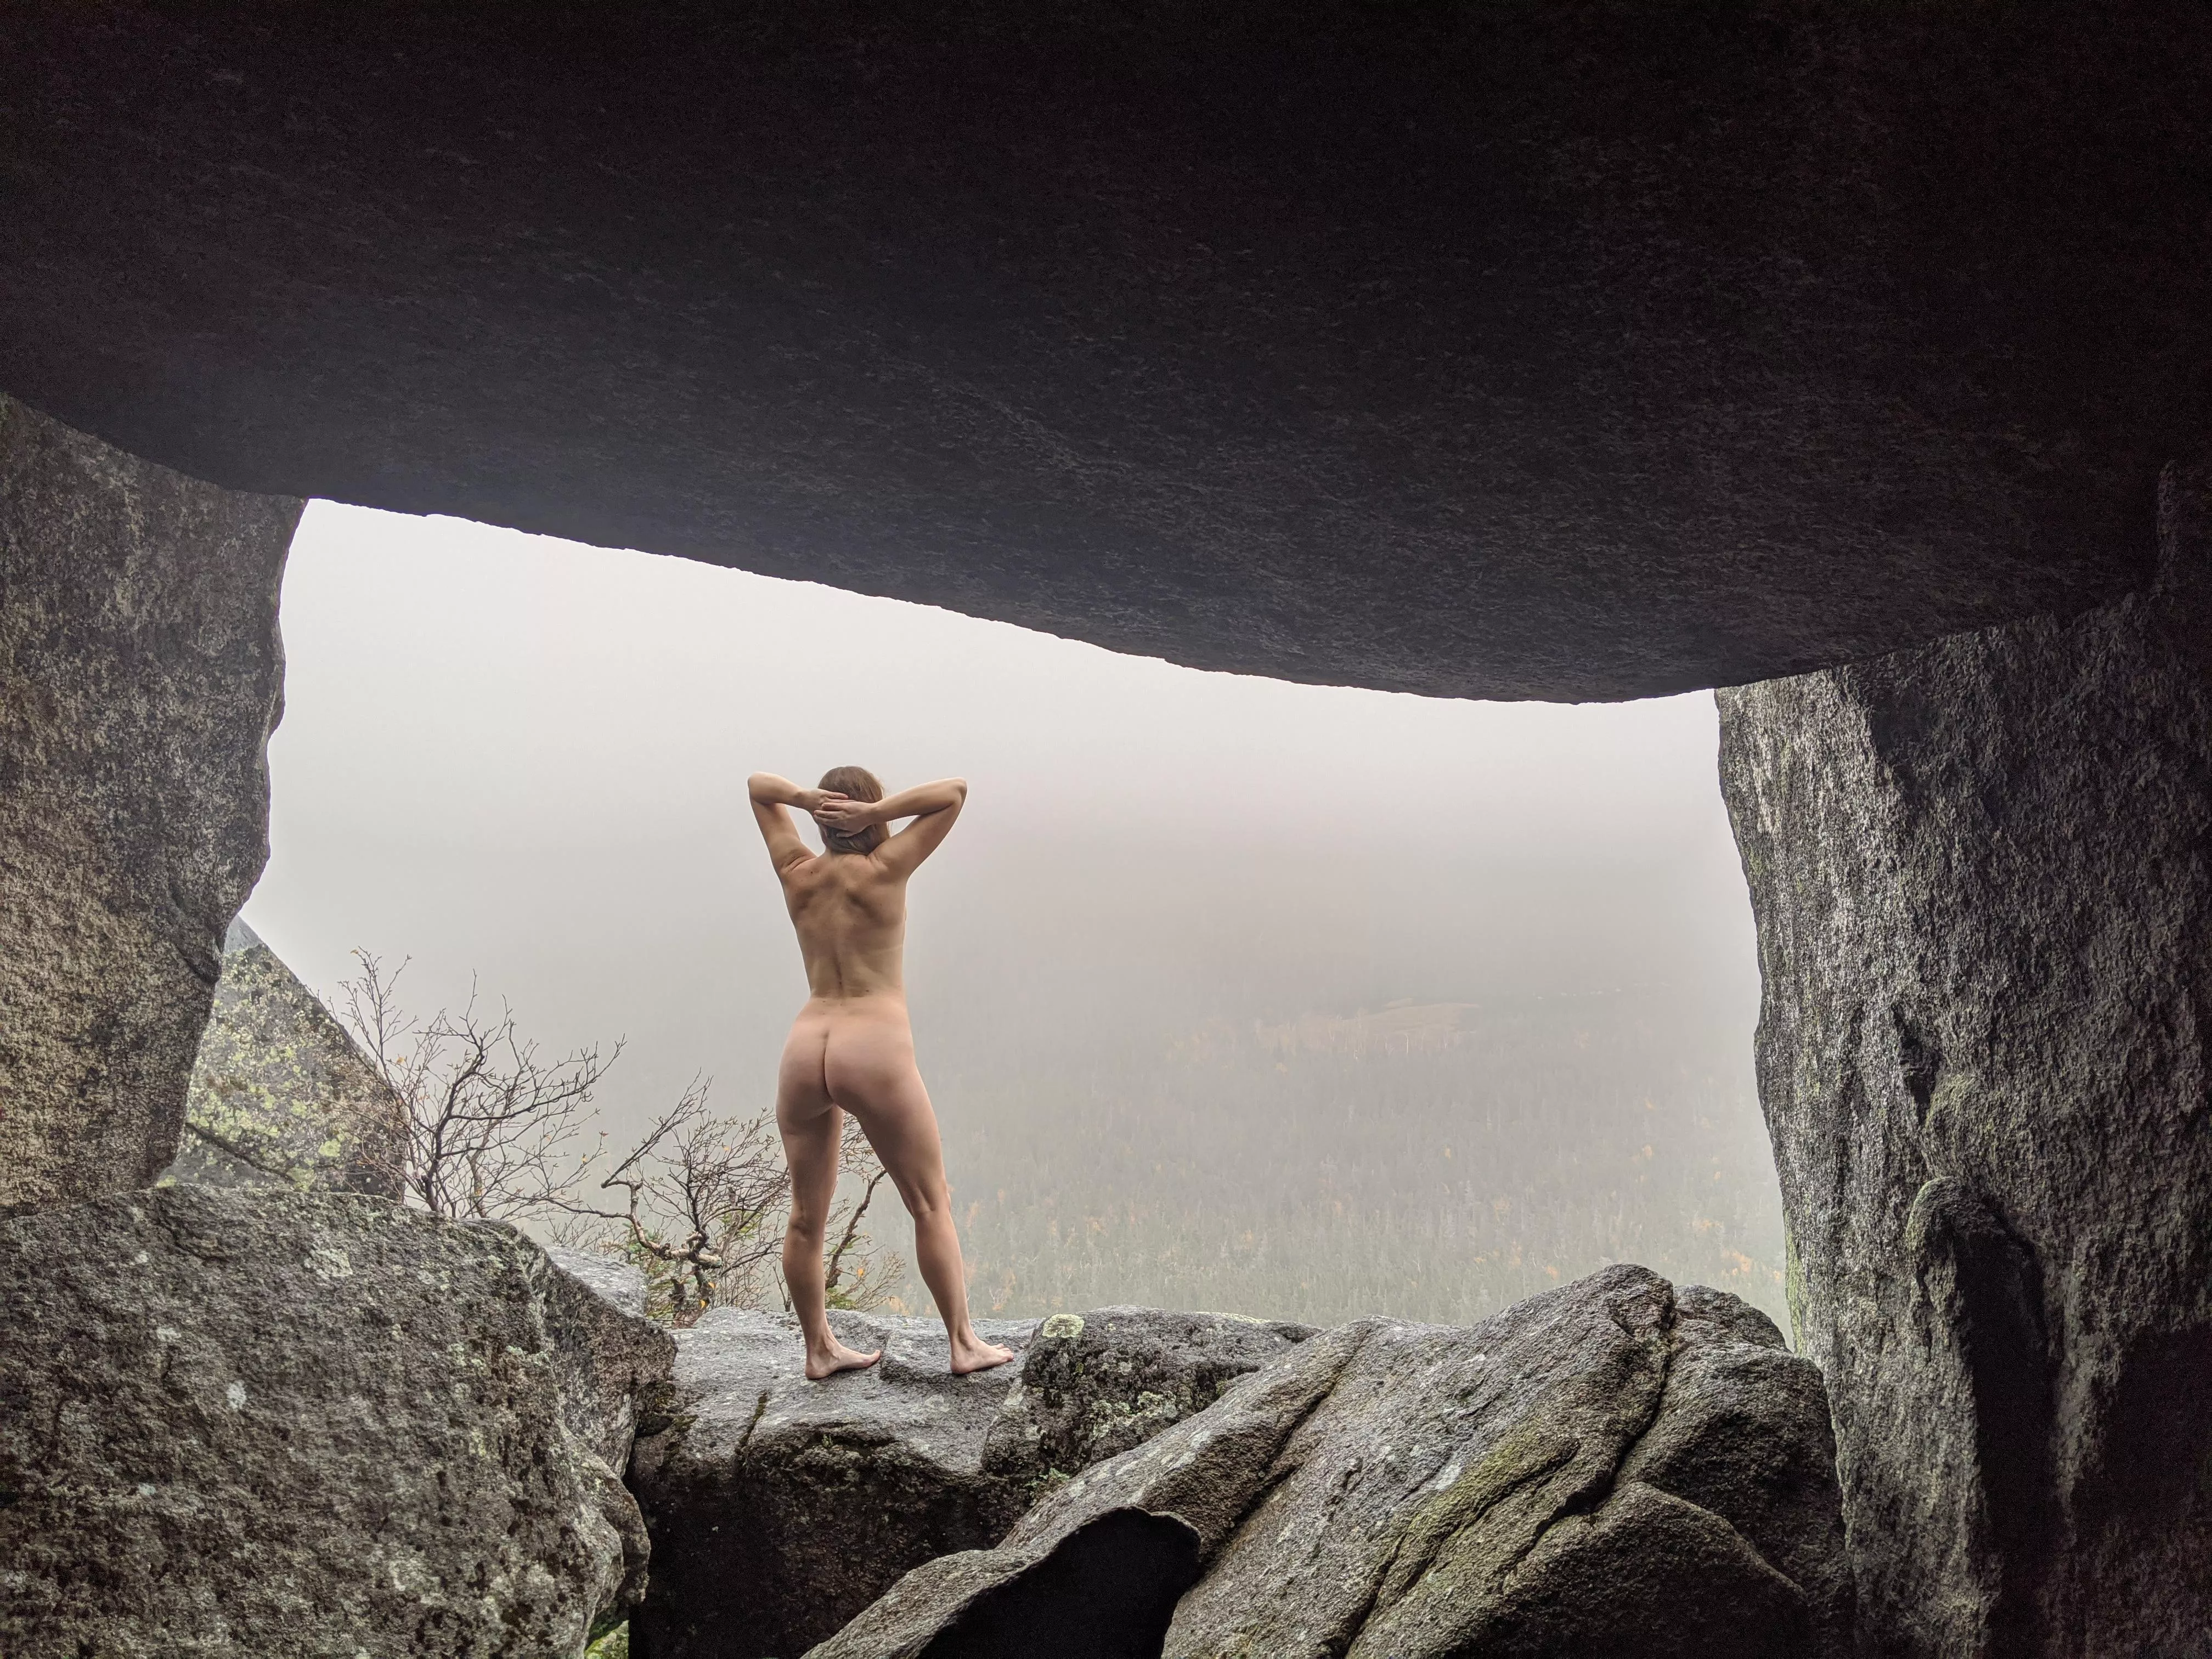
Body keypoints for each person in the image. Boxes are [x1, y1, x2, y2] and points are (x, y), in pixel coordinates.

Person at [747, 766, 1015, 1379]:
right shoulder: (886, 868)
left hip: (806, 1044)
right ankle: (962, 1343)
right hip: (873, 1045)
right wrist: (875, 814)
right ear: (873, 816)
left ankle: (818, 1349)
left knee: (806, 1217)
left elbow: (758, 787)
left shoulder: (797, 872)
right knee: (928, 1203)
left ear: (821, 818)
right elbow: (955, 792)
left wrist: (805, 801)